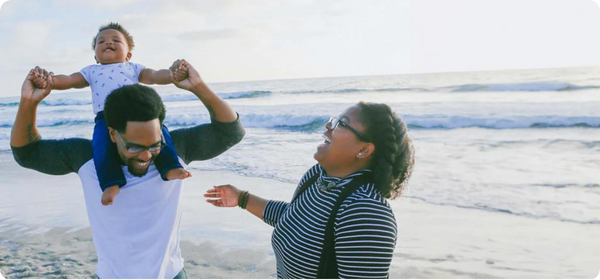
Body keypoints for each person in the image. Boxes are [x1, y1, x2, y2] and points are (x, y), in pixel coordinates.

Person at [11, 60, 245, 278]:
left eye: (154, 145)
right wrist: (29, 103)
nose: (145, 155)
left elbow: (231, 131)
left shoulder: (175, 151)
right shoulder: (86, 157)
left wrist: (198, 86)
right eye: (134, 147)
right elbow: (27, 153)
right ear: (112, 134)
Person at [204, 102, 415, 278]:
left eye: (341, 124)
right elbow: (296, 219)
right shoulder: (317, 176)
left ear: (363, 150)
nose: (328, 125)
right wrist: (242, 198)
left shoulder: (365, 213)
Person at [32, 22, 190, 206]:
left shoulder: (133, 67)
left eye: (116, 40)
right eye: (102, 42)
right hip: (105, 117)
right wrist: (48, 80)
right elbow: (68, 80)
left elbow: (155, 76)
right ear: (96, 56)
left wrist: (173, 75)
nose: (108, 43)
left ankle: (170, 167)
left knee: (160, 133)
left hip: (136, 113)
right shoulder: (91, 71)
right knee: (101, 146)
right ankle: (111, 183)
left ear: (128, 55)